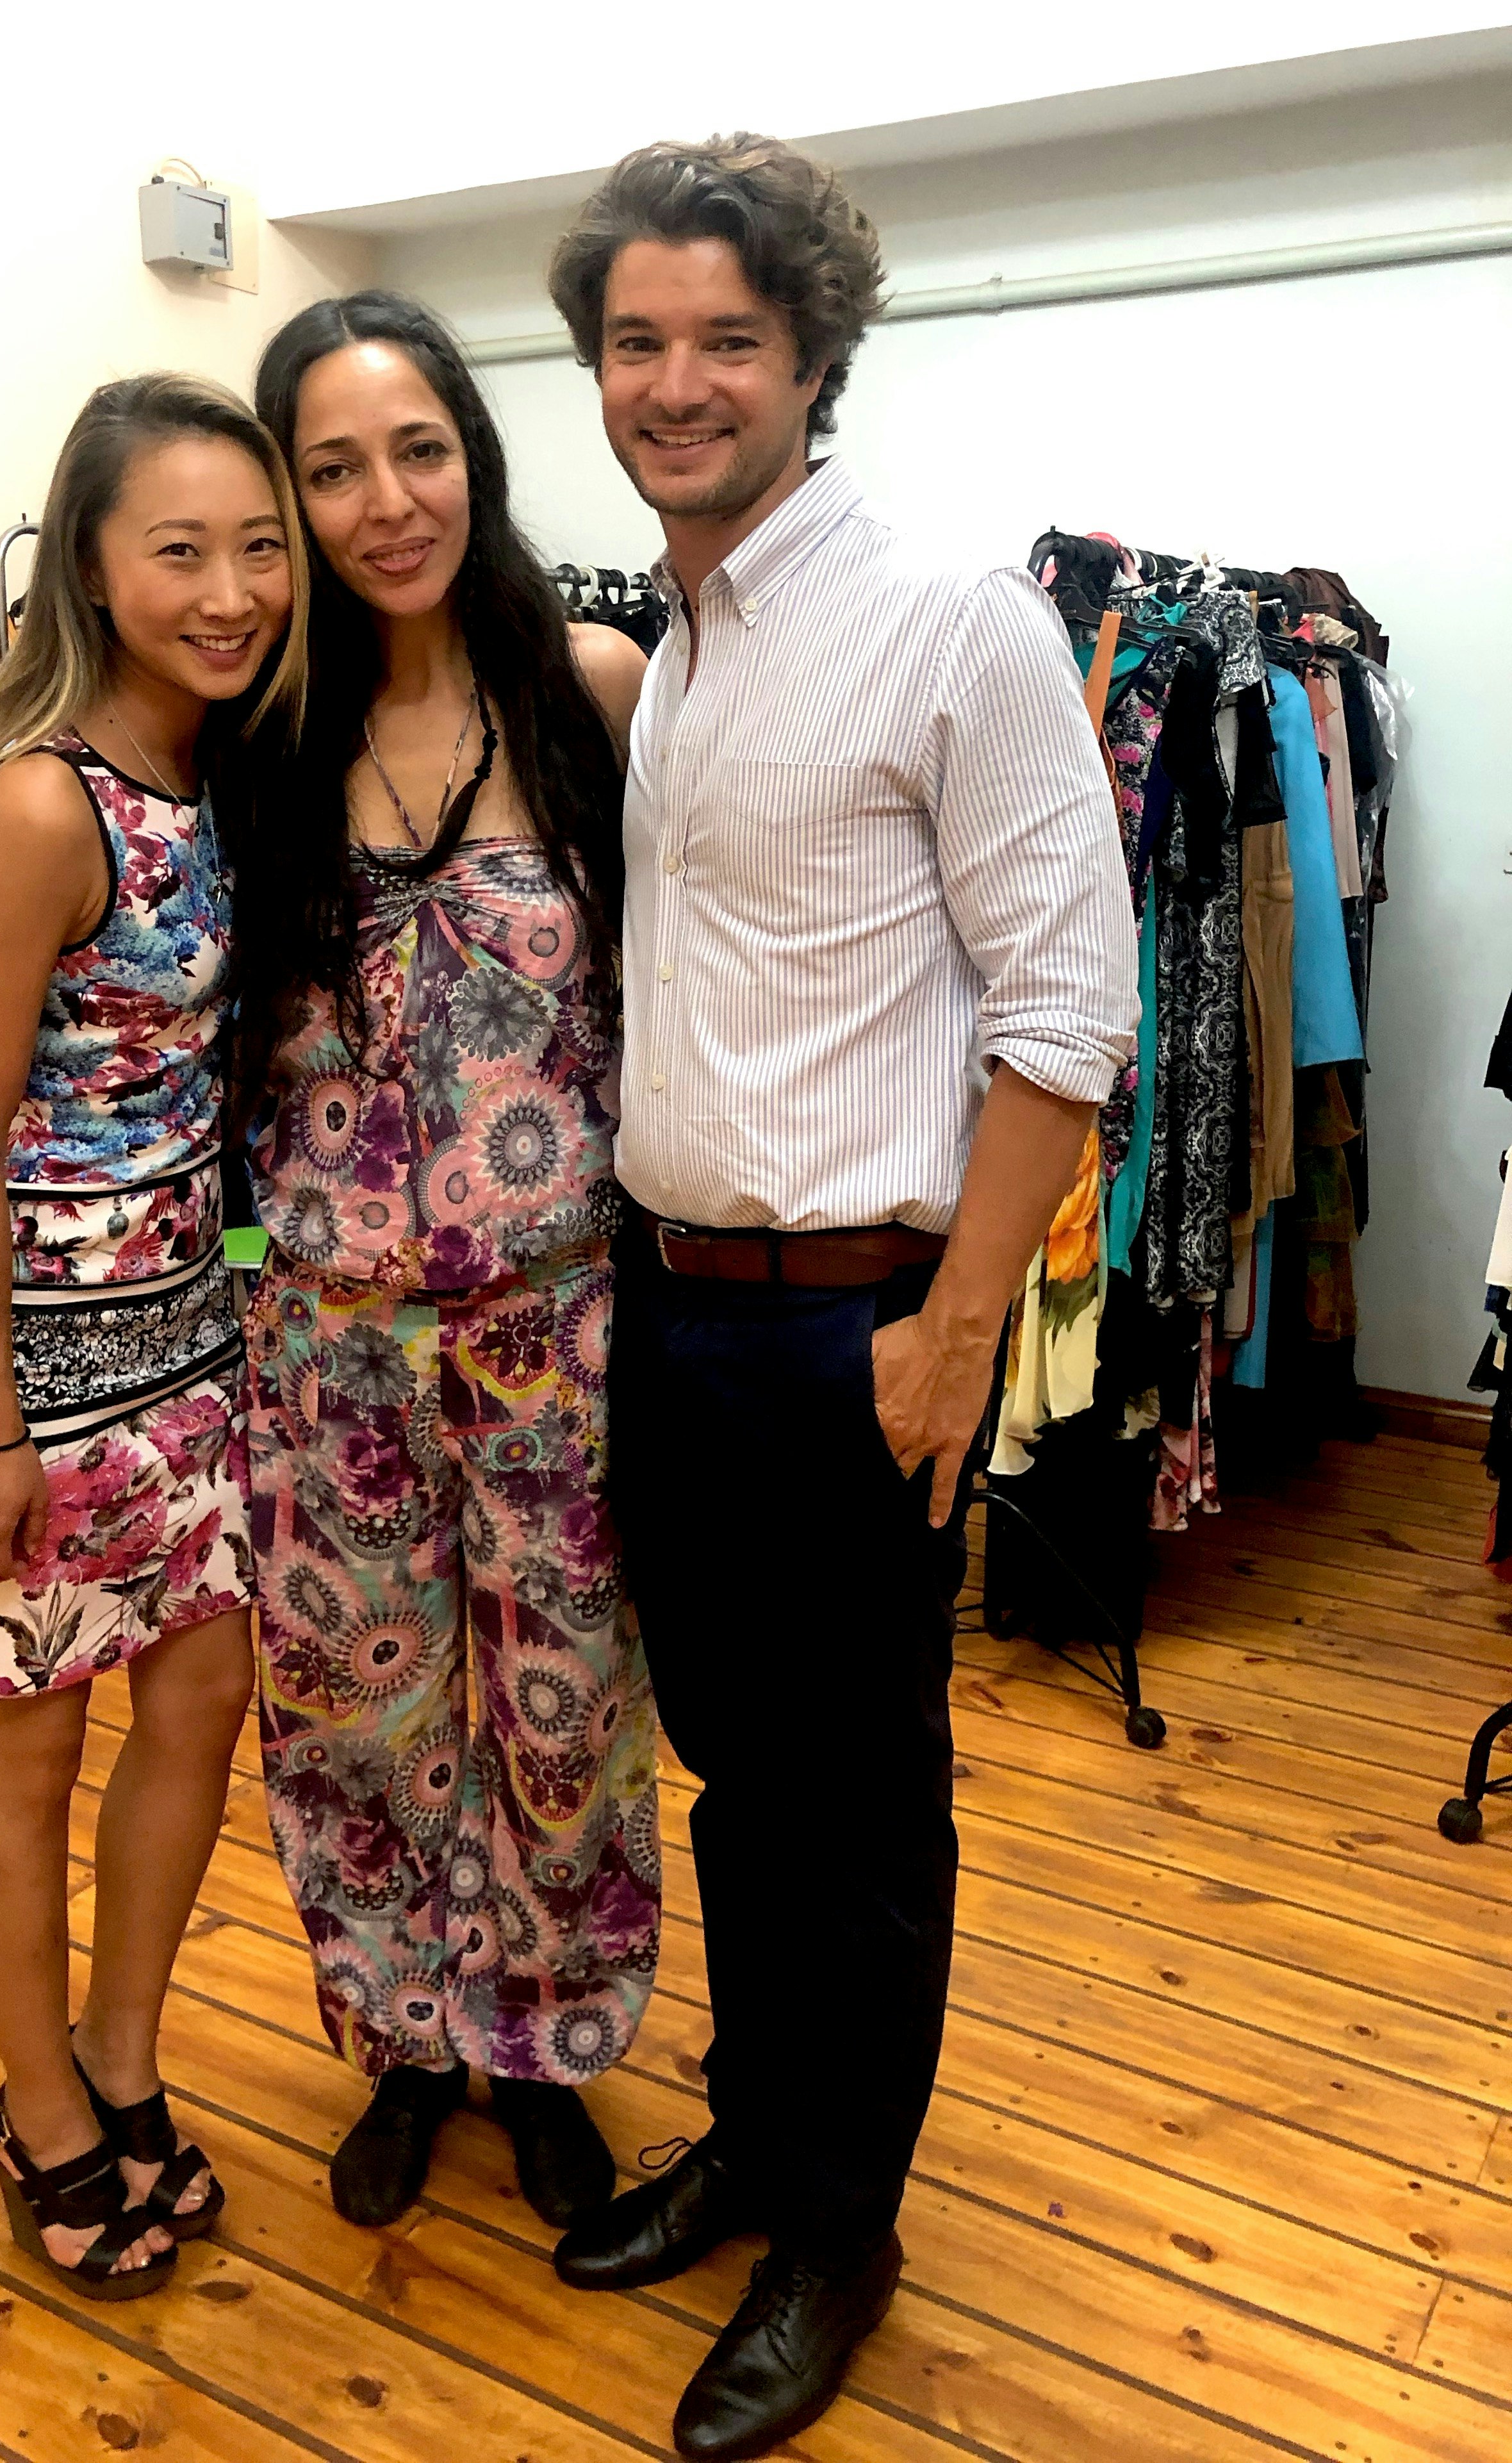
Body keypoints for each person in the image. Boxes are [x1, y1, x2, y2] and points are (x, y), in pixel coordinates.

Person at [541, 139, 1140, 2459]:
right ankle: (759, 2137)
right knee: (736, 1776)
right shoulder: (674, 651)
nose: (677, 382)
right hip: (673, 1312)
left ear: (814, 359)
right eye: (637, 341)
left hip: (853, 1322)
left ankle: (839, 2230)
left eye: (729, 339)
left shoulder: (953, 624)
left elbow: (1070, 1008)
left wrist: (957, 1331)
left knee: (860, 1804)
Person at [231, 293, 659, 2233]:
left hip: (561, 1325)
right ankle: (407, 2043)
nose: (385, 501)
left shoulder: (593, 691)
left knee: (564, 1709)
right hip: (326, 1340)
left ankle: (546, 2047)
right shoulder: (257, 740)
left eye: (416, 450)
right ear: (291, 498)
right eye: (332, 468)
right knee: (357, 1712)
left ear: (473, 454)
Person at [0, 372, 306, 2298]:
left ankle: (125, 2053)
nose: (230, 592)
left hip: (191, 1340)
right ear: (89, 565)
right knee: (33, 1741)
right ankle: (40, 2105)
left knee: (203, 1701)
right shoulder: (40, 797)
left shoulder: (222, 771)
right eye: (180, 551)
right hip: (39, 1371)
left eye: (260, 549)